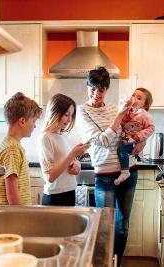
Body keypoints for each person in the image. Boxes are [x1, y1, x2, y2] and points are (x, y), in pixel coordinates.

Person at [76, 67, 146, 265]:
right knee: (103, 227)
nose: (96, 94)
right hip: (105, 176)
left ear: (107, 89)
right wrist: (119, 116)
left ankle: (117, 262)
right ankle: (104, 263)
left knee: (122, 225)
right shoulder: (82, 112)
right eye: (93, 89)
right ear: (87, 86)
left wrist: (141, 141)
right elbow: (103, 140)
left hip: (129, 172)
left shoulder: (115, 108)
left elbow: (131, 131)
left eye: (101, 90)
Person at [0, 92, 42, 206]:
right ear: (22, 121)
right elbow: (12, 194)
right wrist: (21, 217)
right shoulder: (12, 149)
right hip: (10, 218)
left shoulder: (10, 144)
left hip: (8, 216)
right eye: (33, 121)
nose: (34, 126)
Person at [39, 94, 89, 206]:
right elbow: (50, 177)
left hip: (69, 192)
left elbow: (68, 161)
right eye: (66, 115)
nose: (69, 119)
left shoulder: (63, 136)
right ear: (55, 112)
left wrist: (77, 164)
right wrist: (72, 155)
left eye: (71, 115)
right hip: (55, 196)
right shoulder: (46, 137)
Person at [115, 88, 155, 185]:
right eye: (133, 95)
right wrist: (123, 108)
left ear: (144, 105)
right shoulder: (129, 111)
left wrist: (138, 137)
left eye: (139, 98)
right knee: (121, 148)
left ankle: (125, 172)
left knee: (121, 149)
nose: (134, 98)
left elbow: (151, 128)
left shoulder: (144, 115)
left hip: (134, 141)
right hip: (127, 138)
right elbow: (121, 120)